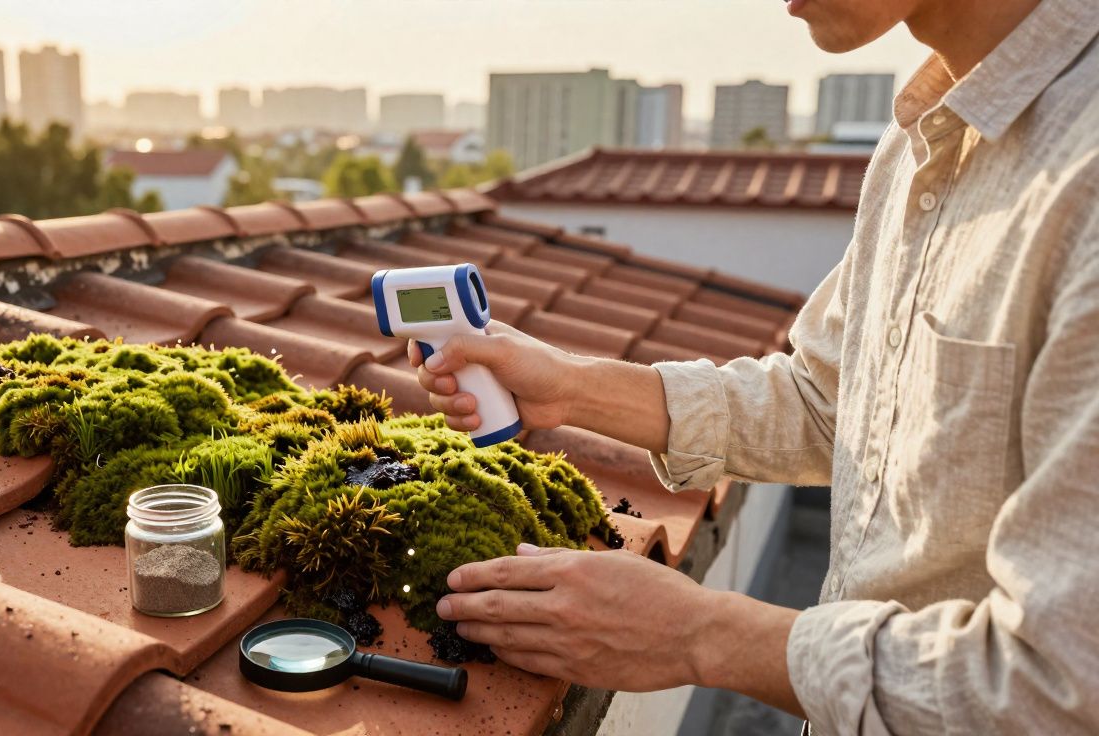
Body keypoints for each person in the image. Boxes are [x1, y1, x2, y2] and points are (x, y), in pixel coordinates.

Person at [409, 0, 1099, 732]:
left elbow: (1059, 683)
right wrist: (572, 387)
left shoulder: (1080, 178)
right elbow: (827, 400)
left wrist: (699, 635)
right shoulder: (921, 145)